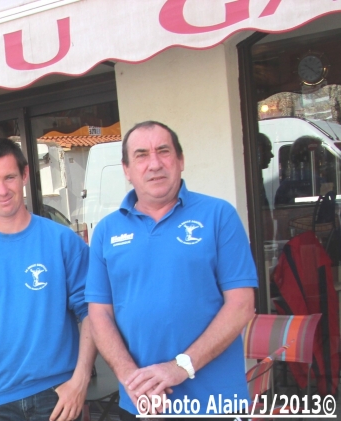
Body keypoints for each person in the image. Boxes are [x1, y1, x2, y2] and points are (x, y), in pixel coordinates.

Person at [86, 121, 257, 419]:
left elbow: (241, 305)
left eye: (163, 151)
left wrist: (180, 367)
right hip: (142, 404)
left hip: (214, 402)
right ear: (126, 170)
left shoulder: (218, 216)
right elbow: (99, 313)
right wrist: (132, 379)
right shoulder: (106, 231)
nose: (154, 164)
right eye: (141, 155)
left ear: (180, 161)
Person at [0, 138, 96, 421]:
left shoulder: (62, 242)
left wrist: (81, 380)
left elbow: (93, 312)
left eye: (10, 177)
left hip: (58, 396)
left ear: (24, 174)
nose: (2, 190)